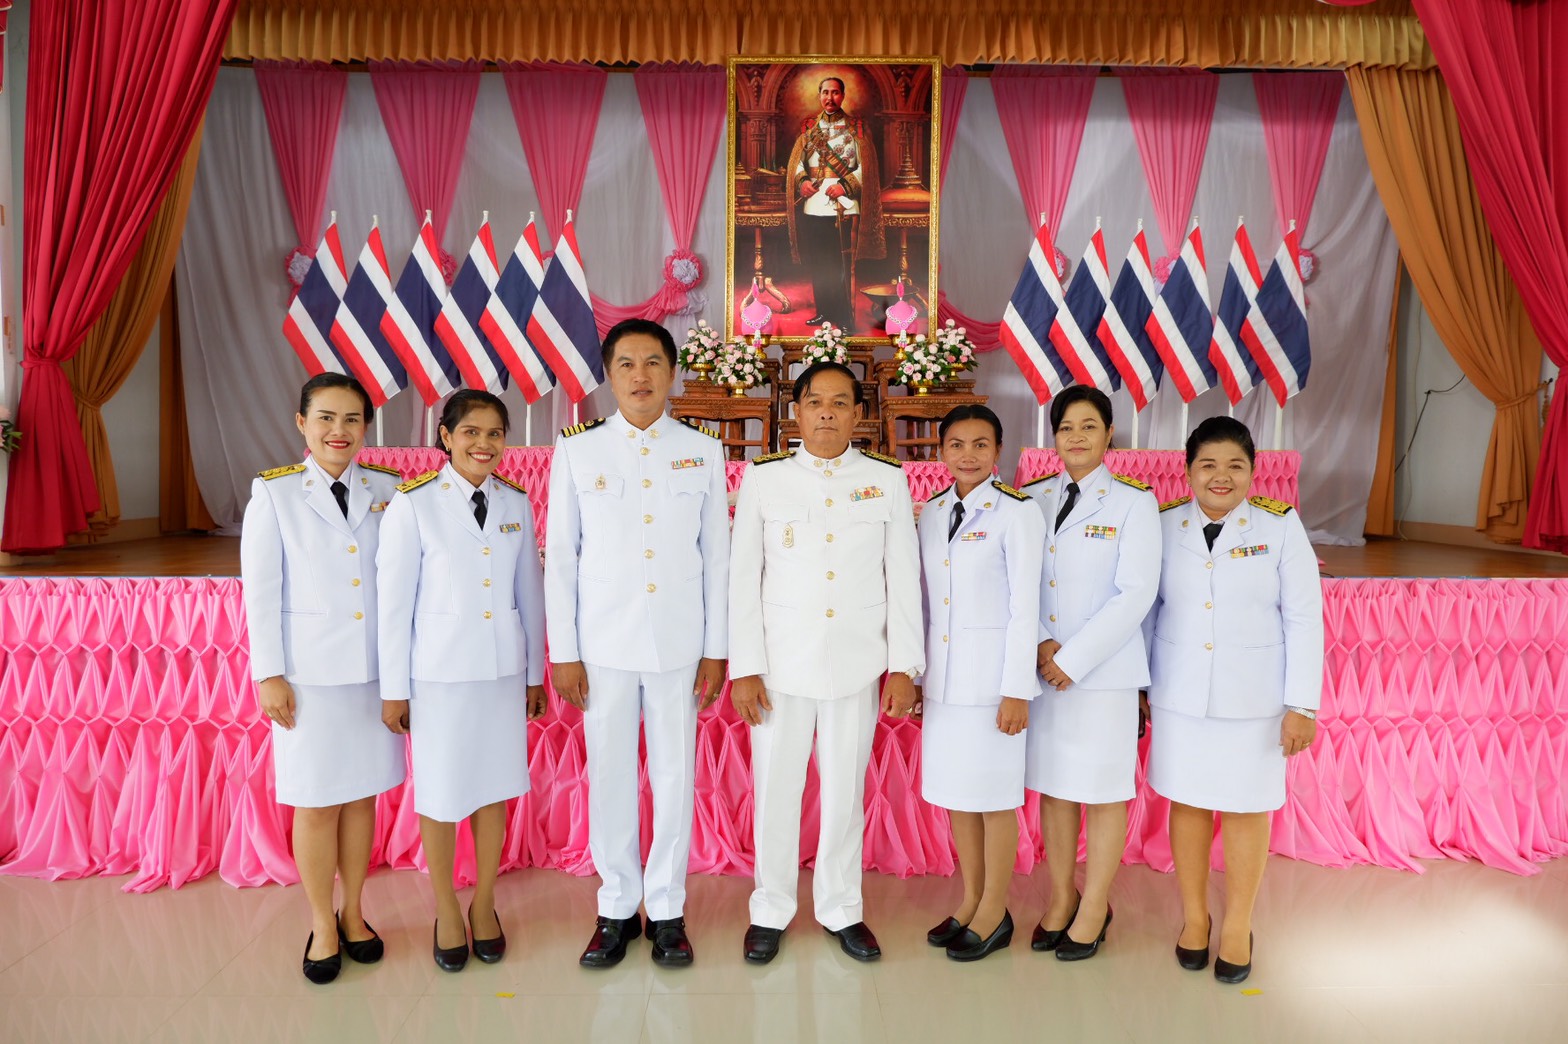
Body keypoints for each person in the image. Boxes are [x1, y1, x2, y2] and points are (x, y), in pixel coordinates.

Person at [545, 319, 731, 969]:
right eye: (626, 364)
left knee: (676, 776)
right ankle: (617, 908)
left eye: (653, 362)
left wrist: (717, 647)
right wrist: (563, 650)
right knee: (612, 776)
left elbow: (718, 558)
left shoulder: (703, 450)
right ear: (609, 374)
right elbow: (561, 560)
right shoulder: (577, 451)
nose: (641, 375)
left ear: (673, 372)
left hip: (679, 642)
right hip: (602, 644)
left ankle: (670, 911)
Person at [729, 361, 922, 964]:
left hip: (858, 663)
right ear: (797, 411)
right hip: (780, 667)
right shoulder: (764, 479)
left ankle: (841, 908)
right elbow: (743, 580)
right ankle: (771, 908)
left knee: (843, 792)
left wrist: (903, 665)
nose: (828, 414)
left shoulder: (887, 480)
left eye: (842, 403)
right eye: (817, 403)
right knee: (776, 791)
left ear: (859, 414)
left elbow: (903, 577)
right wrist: (744, 666)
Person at [240, 373, 407, 985]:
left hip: (371, 674)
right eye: (327, 418)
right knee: (314, 804)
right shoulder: (276, 494)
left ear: (366, 427)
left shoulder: (389, 489)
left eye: (352, 420)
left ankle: (356, 911)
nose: (340, 431)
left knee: (362, 797)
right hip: (307, 677)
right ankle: (321, 923)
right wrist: (270, 674)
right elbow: (260, 592)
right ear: (302, 424)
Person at [1145, 416, 1322, 984]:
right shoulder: (1163, 523)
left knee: (1247, 809)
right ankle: (1195, 919)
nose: (1221, 477)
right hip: (1180, 693)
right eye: (1208, 464)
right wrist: (1142, 689)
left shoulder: (1280, 526)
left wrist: (1303, 704)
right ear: (1188, 469)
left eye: (1235, 465)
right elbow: (1147, 612)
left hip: (1255, 700)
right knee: (1190, 804)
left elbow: (1304, 619)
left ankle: (1239, 925)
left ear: (1253, 470)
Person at [377, 390, 548, 973]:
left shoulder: (516, 503)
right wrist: (394, 688)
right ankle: (446, 907)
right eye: (470, 432)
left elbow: (530, 594)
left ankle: (484, 904)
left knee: (495, 787)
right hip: (441, 676)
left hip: (502, 672)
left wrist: (534, 673)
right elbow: (394, 604)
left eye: (495, 433)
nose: (484, 444)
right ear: (445, 437)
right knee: (443, 794)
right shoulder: (414, 504)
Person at [1022, 385, 1160, 962]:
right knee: (1054, 789)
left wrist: (1071, 660)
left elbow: (1136, 595)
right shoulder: (1029, 499)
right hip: (1043, 670)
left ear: (1108, 435)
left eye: (1088, 426)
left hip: (1101, 677)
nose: (1076, 437)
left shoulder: (1134, 503)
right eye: (1065, 428)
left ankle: (1096, 905)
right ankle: (1060, 897)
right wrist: (1039, 646)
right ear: (1053, 438)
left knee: (1103, 794)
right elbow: (1017, 581)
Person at [918, 405, 1044, 962]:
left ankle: (996, 909)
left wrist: (1017, 687)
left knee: (994, 799)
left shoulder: (1018, 513)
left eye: (980, 444)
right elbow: (927, 603)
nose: (967, 454)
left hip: (994, 685)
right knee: (958, 799)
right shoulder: (932, 512)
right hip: (945, 682)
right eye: (956, 444)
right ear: (941, 451)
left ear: (998, 452)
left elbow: (1025, 607)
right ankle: (970, 900)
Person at [785, 76, 885, 329]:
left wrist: (845, 185)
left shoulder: (856, 128)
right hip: (814, 202)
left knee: (841, 265)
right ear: (820, 95)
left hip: (844, 203)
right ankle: (824, 312)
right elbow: (797, 163)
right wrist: (802, 182)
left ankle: (844, 317)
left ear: (843, 96)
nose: (830, 98)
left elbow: (867, 167)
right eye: (825, 92)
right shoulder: (809, 128)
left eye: (835, 93)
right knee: (818, 263)